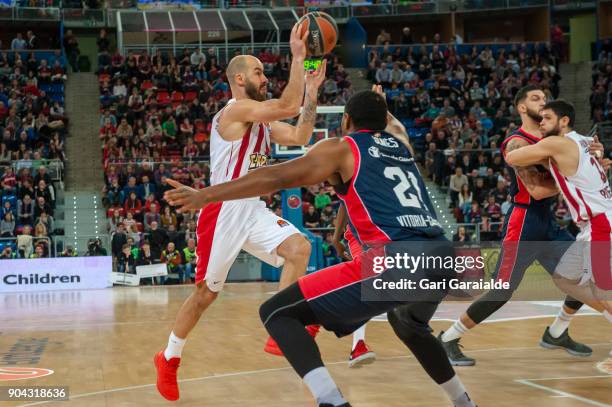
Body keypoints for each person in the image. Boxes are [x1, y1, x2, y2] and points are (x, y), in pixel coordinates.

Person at [164, 88, 476, 407]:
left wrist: (207, 195)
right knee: (409, 324)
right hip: (444, 256)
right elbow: (393, 125)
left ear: (346, 120)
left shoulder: (342, 148)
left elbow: (276, 177)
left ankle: (331, 401)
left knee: (276, 312)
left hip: (399, 260)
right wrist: (382, 106)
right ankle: (464, 401)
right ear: (383, 121)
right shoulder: (402, 144)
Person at [153, 24, 327, 402]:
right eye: (259, 72)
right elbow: (287, 106)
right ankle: (168, 358)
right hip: (222, 212)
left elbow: (300, 135)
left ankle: (281, 327)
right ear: (239, 78)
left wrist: (312, 91)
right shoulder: (234, 111)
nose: (265, 77)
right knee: (204, 295)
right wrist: (297, 57)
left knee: (299, 248)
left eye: (265, 71)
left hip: (252, 208)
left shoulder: (261, 122)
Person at [438, 85, 604, 366]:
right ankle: (448, 338)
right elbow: (537, 191)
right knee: (502, 290)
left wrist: (592, 157)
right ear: (522, 108)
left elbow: (578, 159)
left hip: (547, 221)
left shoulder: (556, 139)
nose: (544, 101)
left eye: (545, 98)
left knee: (581, 277)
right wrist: (580, 174)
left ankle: (556, 331)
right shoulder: (517, 142)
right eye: (536, 98)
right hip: (524, 220)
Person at [505, 100, 612, 309]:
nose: (541, 123)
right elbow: (594, 161)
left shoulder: (555, 143)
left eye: (547, 118)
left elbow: (512, 157)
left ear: (564, 121)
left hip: (600, 225)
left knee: (603, 290)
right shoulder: (587, 140)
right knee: (563, 278)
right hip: (594, 223)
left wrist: (543, 154)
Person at [332, 203, 376, 368]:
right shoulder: (353, 178)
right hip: (360, 235)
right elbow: (344, 202)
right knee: (365, 283)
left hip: (385, 233)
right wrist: (336, 239)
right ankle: (358, 344)